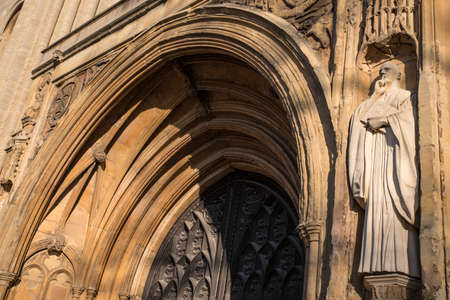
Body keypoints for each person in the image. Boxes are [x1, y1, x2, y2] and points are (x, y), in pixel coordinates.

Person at [348, 61, 420, 277]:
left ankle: (401, 265)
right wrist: (375, 97)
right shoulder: (375, 100)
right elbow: (359, 121)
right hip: (376, 164)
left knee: (392, 207)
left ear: (398, 75)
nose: (381, 74)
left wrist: (385, 122)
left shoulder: (405, 97)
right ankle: (375, 264)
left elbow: (409, 124)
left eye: (386, 71)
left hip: (395, 163)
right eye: (380, 72)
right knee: (377, 209)